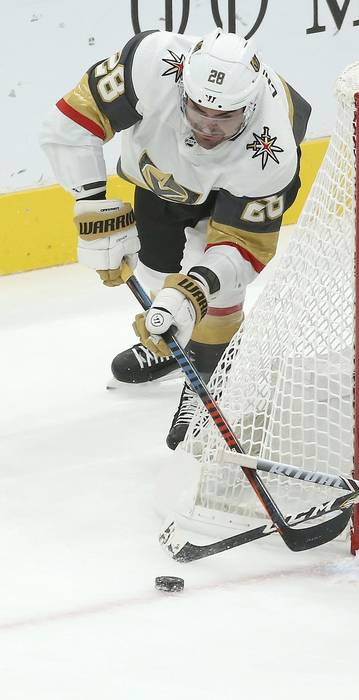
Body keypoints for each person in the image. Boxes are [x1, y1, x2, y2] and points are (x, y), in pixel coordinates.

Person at [40, 28, 311, 448]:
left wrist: (196, 290)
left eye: (224, 118)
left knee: (214, 291)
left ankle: (208, 369)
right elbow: (72, 122)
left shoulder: (272, 152)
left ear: (251, 106)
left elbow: (243, 248)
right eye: (198, 109)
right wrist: (92, 206)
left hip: (232, 189)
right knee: (155, 270)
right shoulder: (152, 64)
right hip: (163, 179)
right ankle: (175, 339)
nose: (207, 127)